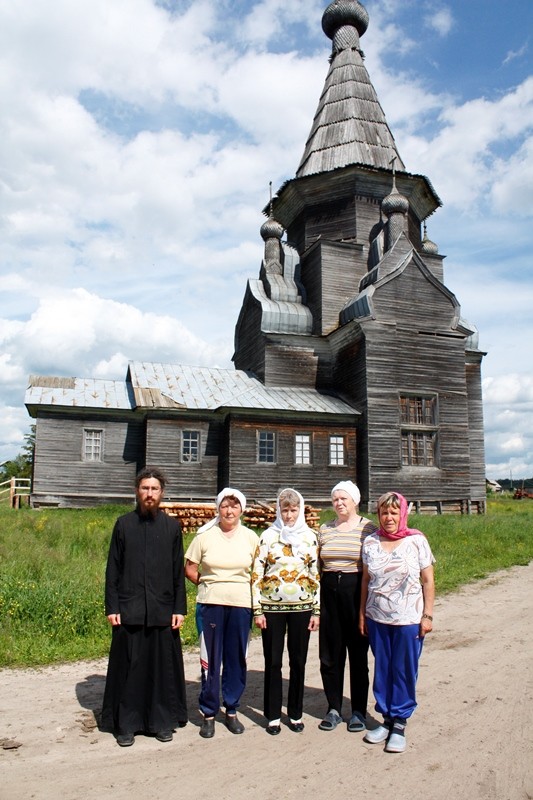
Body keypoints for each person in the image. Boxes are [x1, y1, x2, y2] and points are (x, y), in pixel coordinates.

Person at [101, 467, 187, 747]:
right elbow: (112, 569)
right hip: (130, 610)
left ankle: (161, 722)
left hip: (163, 610)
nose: (149, 494)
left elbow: (177, 572)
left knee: (161, 671)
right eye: (145, 488)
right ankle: (126, 725)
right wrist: (112, 606)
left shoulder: (172, 528)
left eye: (154, 489)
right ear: (137, 491)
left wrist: (179, 608)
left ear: (162, 493)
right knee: (129, 671)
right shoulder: (123, 525)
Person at [359, 491, 435, 753]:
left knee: (403, 669)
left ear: (402, 514)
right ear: (378, 515)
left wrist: (427, 615)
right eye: (384, 512)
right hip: (377, 617)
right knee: (383, 669)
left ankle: (400, 723)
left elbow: (428, 580)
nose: (389, 517)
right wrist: (362, 614)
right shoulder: (370, 542)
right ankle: (386, 719)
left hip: (408, 619)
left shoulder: (417, 541)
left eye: (394, 512)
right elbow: (366, 581)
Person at [184, 488, 258, 739]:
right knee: (210, 659)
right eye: (225, 506)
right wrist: (207, 584)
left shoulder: (251, 538)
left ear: (242, 510)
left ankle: (232, 709)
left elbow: (258, 571)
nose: (229, 511)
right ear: (218, 509)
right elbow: (190, 568)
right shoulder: (204, 536)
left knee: (236, 658)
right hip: (211, 604)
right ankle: (208, 713)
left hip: (241, 604)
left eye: (234, 506)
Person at [252, 488, 320, 735]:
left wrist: (316, 611)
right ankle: (272, 715)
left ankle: (295, 713)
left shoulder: (310, 537)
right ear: (278, 511)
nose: (289, 515)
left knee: (298, 661)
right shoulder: (268, 537)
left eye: (293, 510)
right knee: (273, 661)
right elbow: (257, 573)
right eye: (285, 510)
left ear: (300, 510)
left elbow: (315, 574)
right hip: (272, 607)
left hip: (302, 606)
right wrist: (257, 609)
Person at [317, 480, 377, 732]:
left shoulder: (368, 528)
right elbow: (317, 565)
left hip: (355, 593)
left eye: (344, 498)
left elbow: (373, 565)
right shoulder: (324, 529)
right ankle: (333, 708)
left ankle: (358, 712)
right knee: (330, 654)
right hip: (329, 591)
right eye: (335, 499)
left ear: (355, 501)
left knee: (358, 654)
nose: (339, 503)